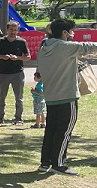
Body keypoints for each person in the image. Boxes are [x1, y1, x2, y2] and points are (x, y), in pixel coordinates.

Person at [36, 18, 97, 174]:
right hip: (67, 96)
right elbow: (89, 47)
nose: (72, 34)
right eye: (71, 31)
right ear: (64, 33)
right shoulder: (65, 47)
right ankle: (59, 164)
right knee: (64, 131)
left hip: (51, 96)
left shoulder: (44, 48)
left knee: (51, 130)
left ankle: (45, 163)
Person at [0, 21, 29, 125]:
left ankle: (18, 118)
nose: (13, 32)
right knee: (1, 97)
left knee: (19, 98)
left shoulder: (22, 42)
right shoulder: (0, 42)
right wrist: (2, 57)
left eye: (15, 30)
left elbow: (28, 57)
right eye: (11, 30)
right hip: (3, 73)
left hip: (18, 73)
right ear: (7, 30)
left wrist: (17, 58)